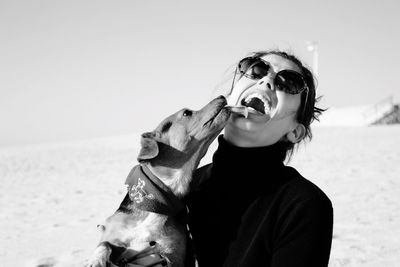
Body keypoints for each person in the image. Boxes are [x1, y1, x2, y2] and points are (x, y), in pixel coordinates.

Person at [129, 50, 333, 267]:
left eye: (289, 83)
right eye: (256, 69)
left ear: (295, 132)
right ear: (232, 95)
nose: (267, 81)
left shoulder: (304, 205)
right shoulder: (180, 191)